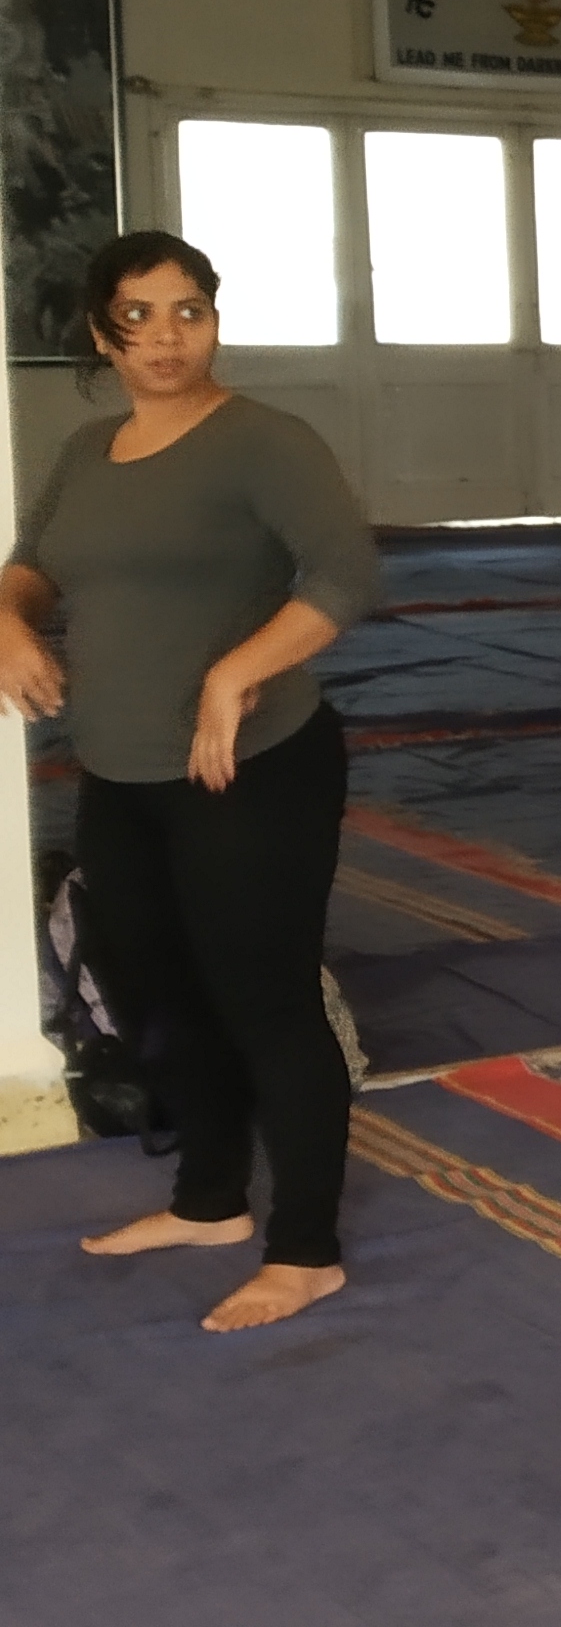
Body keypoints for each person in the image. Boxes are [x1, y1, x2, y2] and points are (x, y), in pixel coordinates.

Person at [3, 231, 378, 1333]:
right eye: (138, 316)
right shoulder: (90, 448)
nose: (166, 338)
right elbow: (34, 565)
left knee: (266, 999)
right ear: (101, 332)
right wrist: (7, 620)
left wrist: (234, 672)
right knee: (159, 992)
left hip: (250, 769)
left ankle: (305, 1250)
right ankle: (210, 1200)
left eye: (188, 312)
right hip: (120, 772)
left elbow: (346, 571)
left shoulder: (264, 441)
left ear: (213, 321)